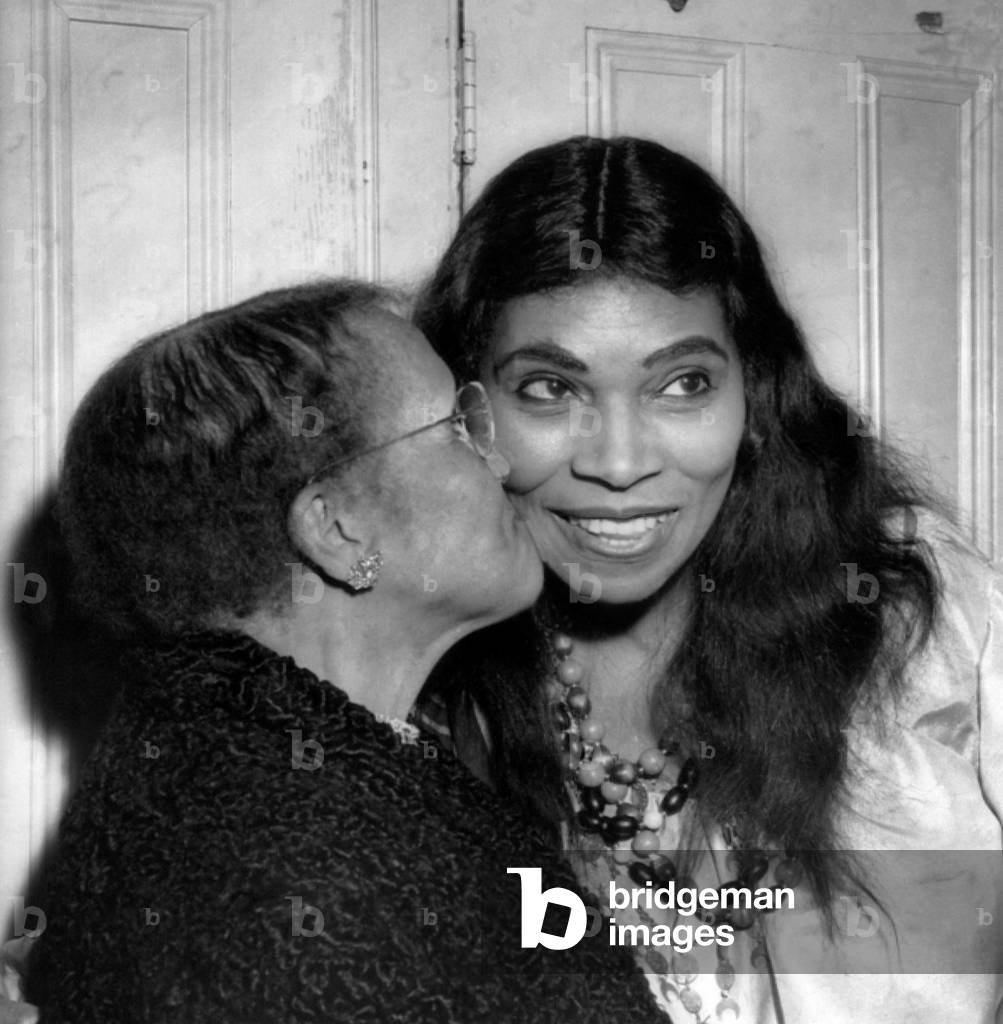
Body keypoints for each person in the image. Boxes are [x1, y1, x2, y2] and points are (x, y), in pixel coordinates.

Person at [413, 136, 1003, 1023]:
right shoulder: (423, 696)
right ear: (465, 410)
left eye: (682, 383)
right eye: (547, 389)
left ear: (753, 399)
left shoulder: (919, 617)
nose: (618, 463)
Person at [20, 281, 663, 1022]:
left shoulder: (239, 760)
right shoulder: (305, 908)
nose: (504, 462)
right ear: (337, 529)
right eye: (457, 427)